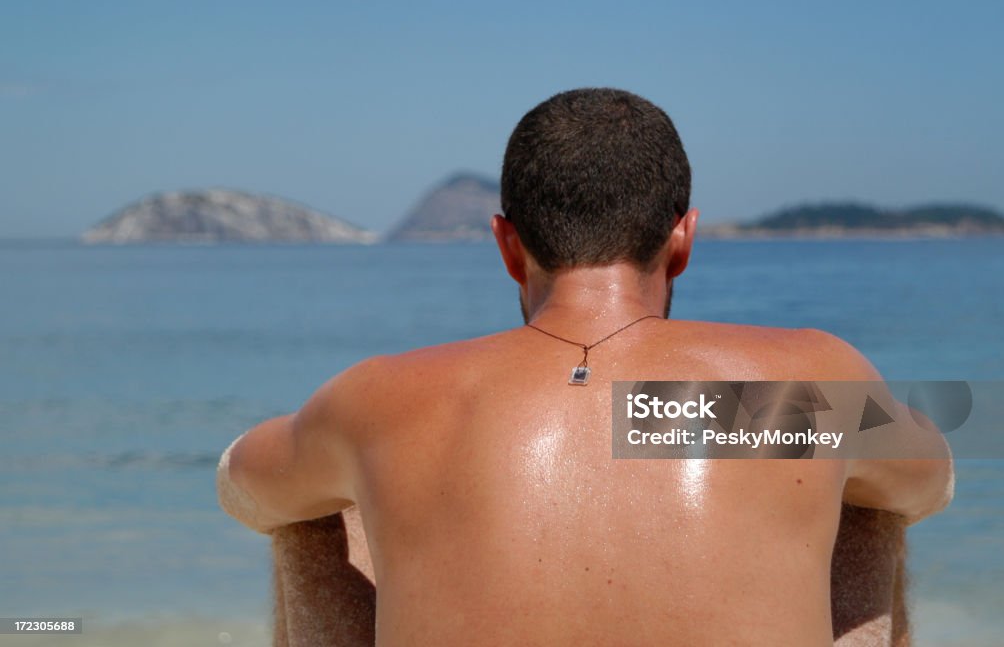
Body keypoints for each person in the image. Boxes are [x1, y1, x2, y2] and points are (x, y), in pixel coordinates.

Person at [218, 88, 953, 646]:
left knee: (318, 506)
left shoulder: (383, 402)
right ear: (683, 239)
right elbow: (931, 478)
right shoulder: (780, 394)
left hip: (385, 430)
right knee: (864, 492)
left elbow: (243, 484)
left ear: (508, 246)